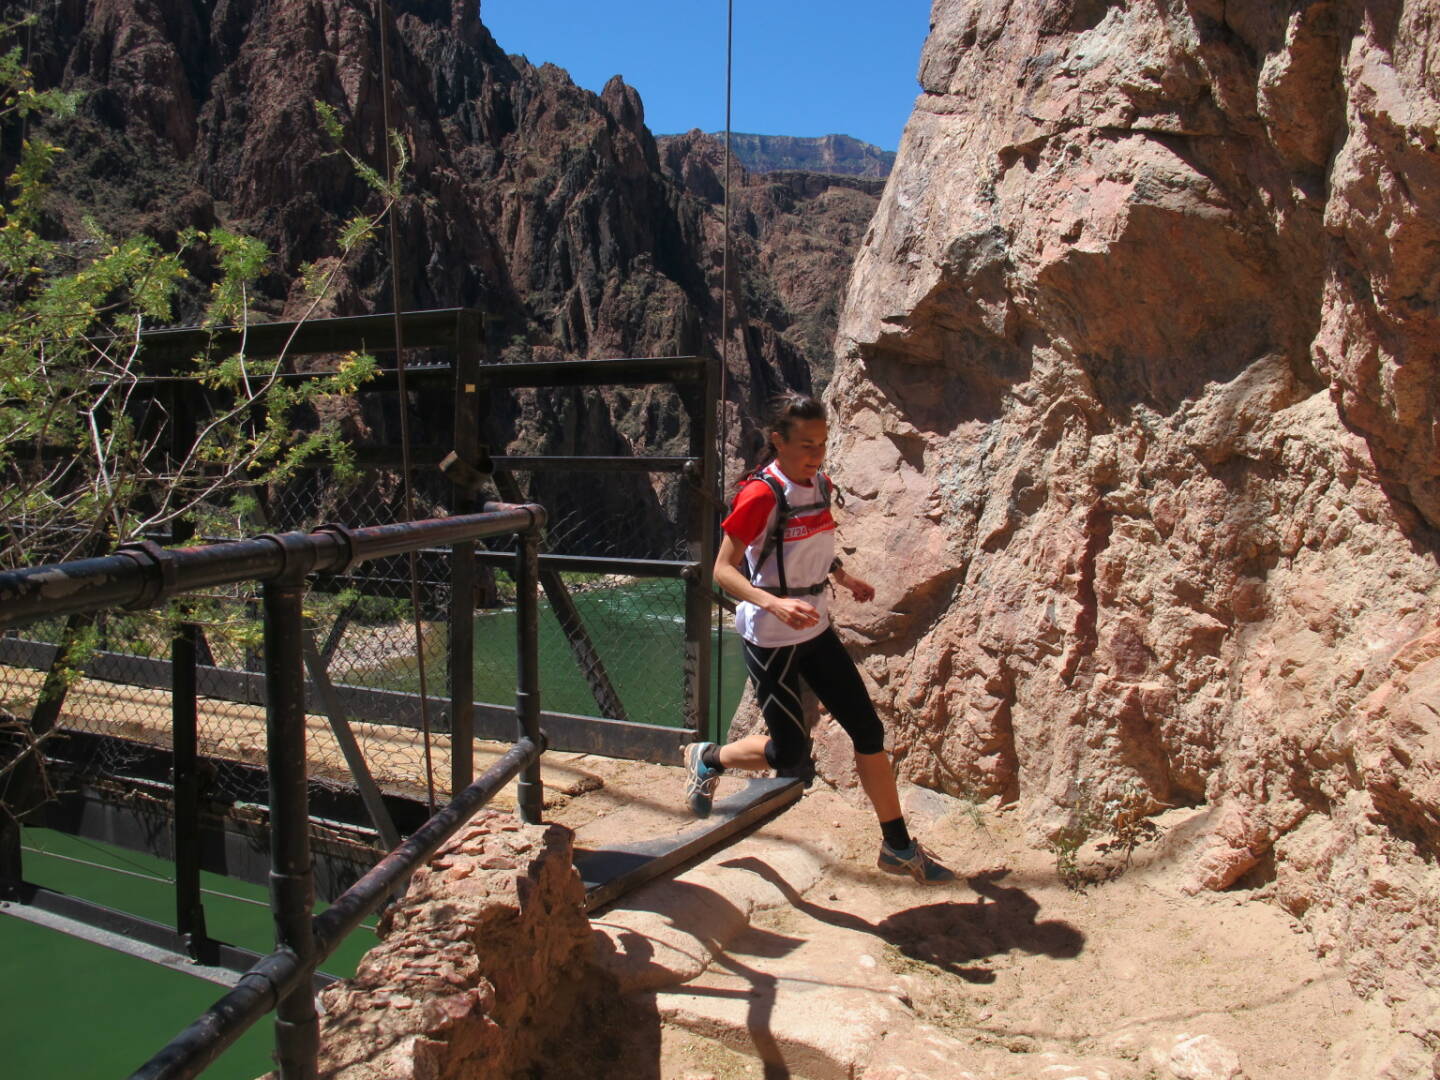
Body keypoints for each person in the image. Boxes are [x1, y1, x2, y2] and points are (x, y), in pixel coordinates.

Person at [685, 392, 952, 884]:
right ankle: (708, 758)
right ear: (777, 441)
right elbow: (721, 570)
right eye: (806, 444)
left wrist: (843, 576)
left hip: (817, 626)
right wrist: (773, 603)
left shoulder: (820, 485)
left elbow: (807, 542)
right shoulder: (760, 494)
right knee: (789, 756)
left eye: (822, 444)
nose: (816, 454)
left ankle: (897, 846)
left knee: (868, 732)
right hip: (771, 635)